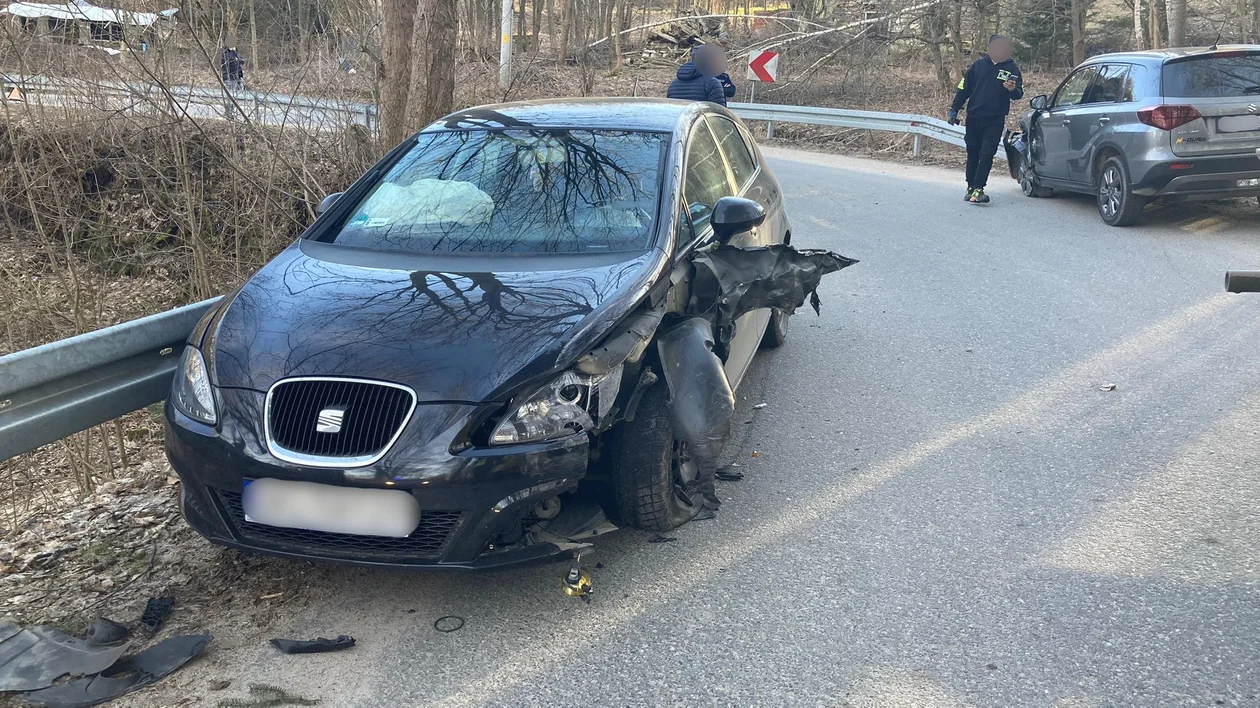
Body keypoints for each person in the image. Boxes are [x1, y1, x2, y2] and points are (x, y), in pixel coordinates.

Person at [948, 34, 1022, 204]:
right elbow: (963, 89)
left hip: (995, 119)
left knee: (987, 153)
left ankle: (979, 189)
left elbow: (1019, 94)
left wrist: (1012, 90)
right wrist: (954, 109)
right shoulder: (978, 65)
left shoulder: (1012, 68)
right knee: (973, 153)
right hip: (974, 117)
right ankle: (970, 186)